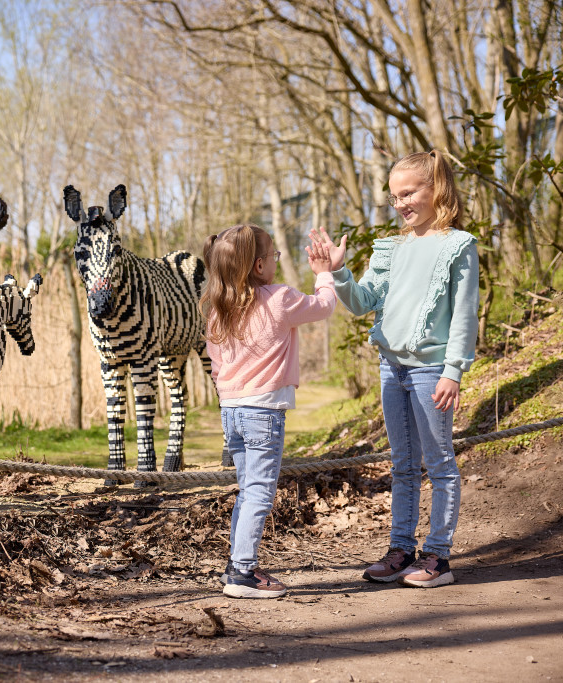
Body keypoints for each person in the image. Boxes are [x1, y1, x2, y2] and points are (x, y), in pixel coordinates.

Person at [309, 150, 479, 588]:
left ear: (436, 188)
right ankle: (401, 550)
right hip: (392, 368)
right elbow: (363, 302)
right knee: (403, 466)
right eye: (394, 197)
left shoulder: (458, 245)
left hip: (431, 372)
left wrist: (453, 371)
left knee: (439, 464)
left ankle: (438, 558)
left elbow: (464, 315)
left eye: (408, 193)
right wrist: (338, 271)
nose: (400, 203)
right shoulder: (391, 248)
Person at [203, 224, 336, 598]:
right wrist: (324, 273)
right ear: (259, 265)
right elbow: (325, 305)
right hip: (262, 412)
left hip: (231, 412)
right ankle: (243, 572)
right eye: (274, 255)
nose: (277, 261)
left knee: (248, 490)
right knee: (260, 493)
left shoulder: (218, 309)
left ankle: (236, 565)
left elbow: (216, 367)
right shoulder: (279, 298)